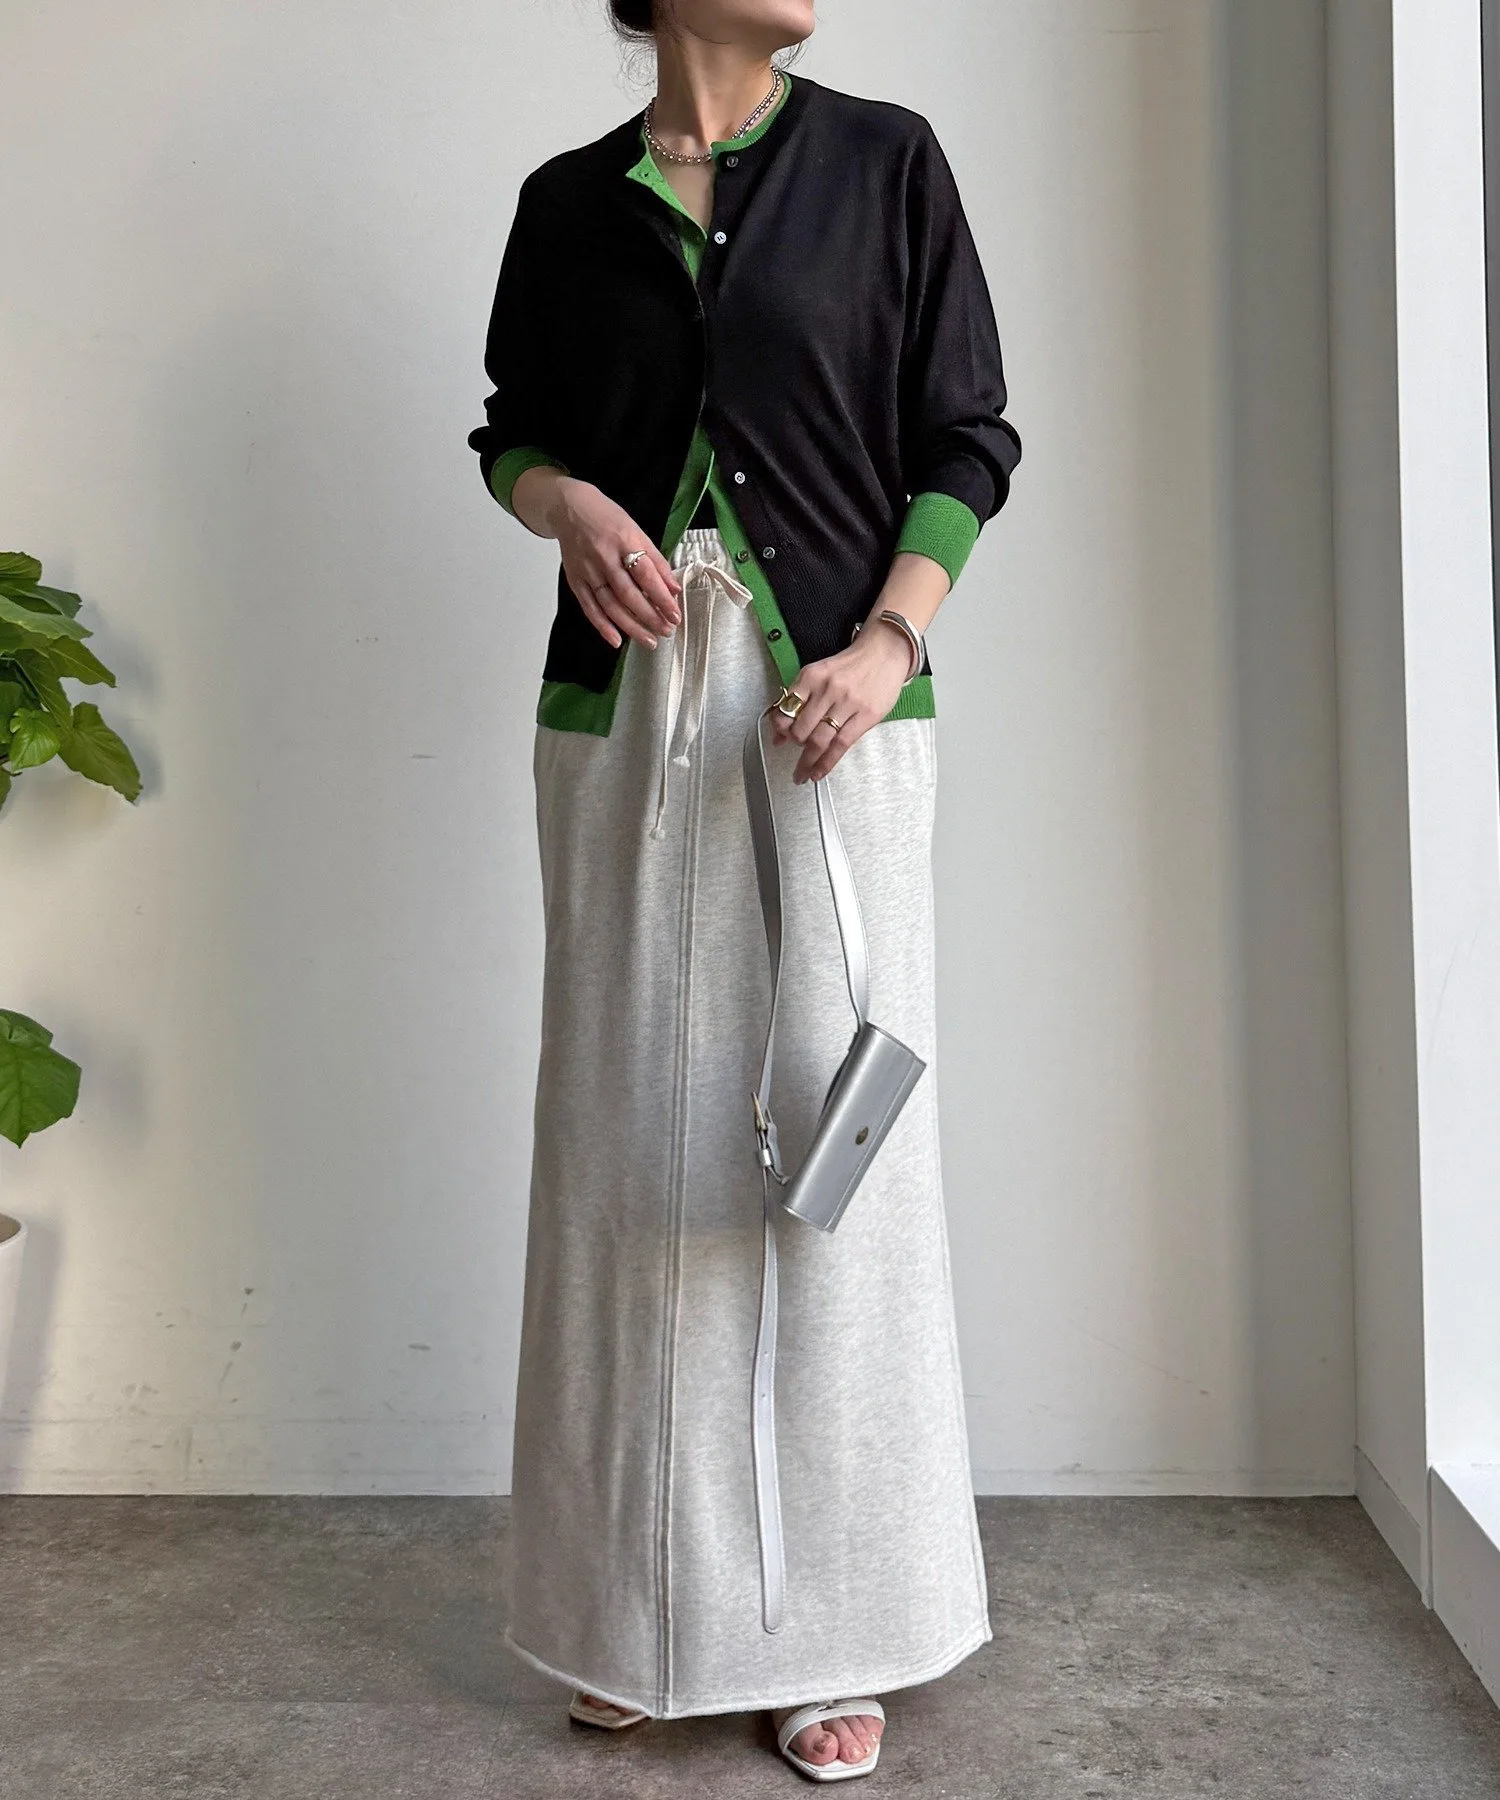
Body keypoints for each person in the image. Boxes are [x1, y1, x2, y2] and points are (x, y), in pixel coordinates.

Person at [467, 0, 1021, 1780]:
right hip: (625, 711)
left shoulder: (885, 164)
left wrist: (887, 643)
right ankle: (639, 1611)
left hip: (835, 711)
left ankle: (832, 1626)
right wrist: (570, 510)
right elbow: (510, 435)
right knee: (633, 1150)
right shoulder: (568, 204)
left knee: (835, 1156)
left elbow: (969, 438)